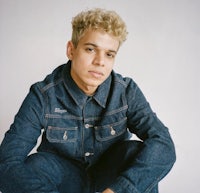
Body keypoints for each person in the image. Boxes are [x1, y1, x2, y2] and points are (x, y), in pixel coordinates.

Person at [0, 8, 176, 193]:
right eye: (91, 49)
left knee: (136, 152)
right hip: (66, 181)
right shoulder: (43, 95)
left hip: (110, 179)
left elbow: (163, 143)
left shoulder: (126, 91)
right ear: (71, 50)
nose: (100, 61)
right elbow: (6, 161)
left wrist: (120, 189)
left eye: (109, 54)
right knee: (36, 165)